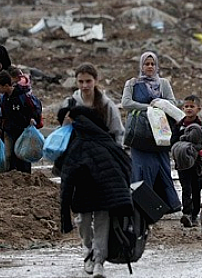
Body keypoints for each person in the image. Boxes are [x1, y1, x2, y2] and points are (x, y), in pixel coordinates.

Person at [60, 106, 133, 278]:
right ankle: (89, 253)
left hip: (102, 192)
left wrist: (64, 208)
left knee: (99, 224)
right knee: (85, 223)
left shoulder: (91, 142)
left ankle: (98, 261)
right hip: (86, 192)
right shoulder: (82, 142)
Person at [121, 51, 181, 211]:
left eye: (152, 64)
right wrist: (148, 107)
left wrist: (160, 103)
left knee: (162, 167)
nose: (149, 67)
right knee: (141, 167)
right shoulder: (132, 83)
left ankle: (167, 205)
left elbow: (172, 102)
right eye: (146, 64)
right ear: (141, 66)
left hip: (160, 133)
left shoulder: (163, 83)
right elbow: (126, 103)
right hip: (140, 134)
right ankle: (142, 205)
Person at [57, 63, 124, 146]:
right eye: (81, 82)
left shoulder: (107, 105)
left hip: (103, 151)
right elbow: (63, 131)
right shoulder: (69, 103)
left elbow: (117, 132)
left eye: (88, 81)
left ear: (95, 81)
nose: (84, 85)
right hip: (75, 152)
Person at [175, 95, 202, 228]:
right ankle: (187, 214)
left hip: (197, 165)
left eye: (192, 106)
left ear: (199, 109)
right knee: (186, 188)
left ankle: (195, 214)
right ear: (182, 108)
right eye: (186, 106)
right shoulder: (178, 125)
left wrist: (192, 149)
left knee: (196, 189)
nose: (189, 109)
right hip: (183, 164)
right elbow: (173, 142)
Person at [0, 70, 38, 174]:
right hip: (8, 131)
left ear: (7, 85)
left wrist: (31, 119)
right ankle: (11, 176)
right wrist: (0, 128)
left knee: (23, 155)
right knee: (8, 155)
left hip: (22, 131)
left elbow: (31, 110)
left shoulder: (21, 96)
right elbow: (3, 115)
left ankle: (25, 176)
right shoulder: (4, 98)